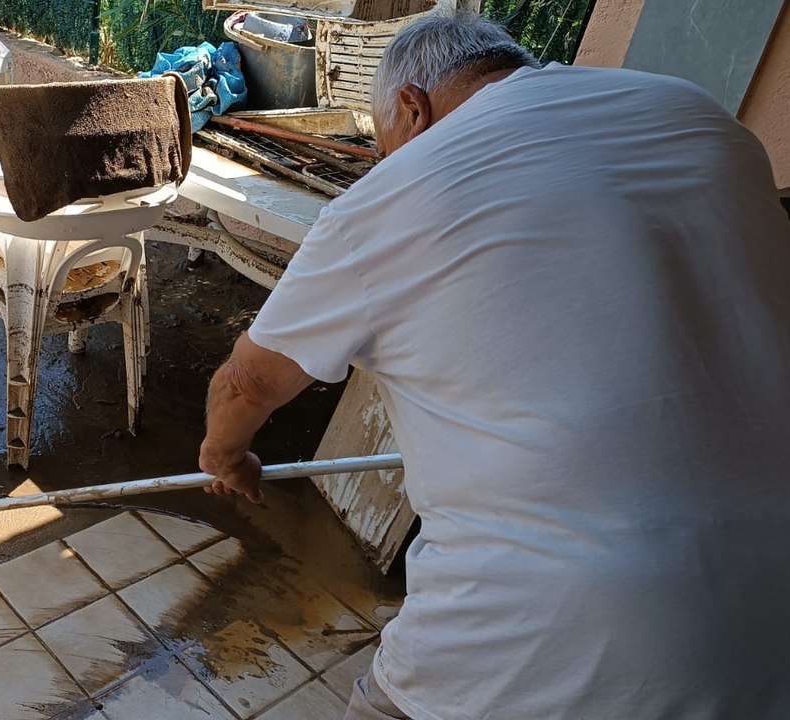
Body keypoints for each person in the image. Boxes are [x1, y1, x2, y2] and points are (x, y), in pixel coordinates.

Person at [197, 8, 790, 720]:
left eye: (387, 146)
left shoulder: (397, 192)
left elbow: (246, 382)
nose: (390, 163)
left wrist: (224, 454)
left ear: (411, 108)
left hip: (560, 636)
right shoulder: (698, 117)